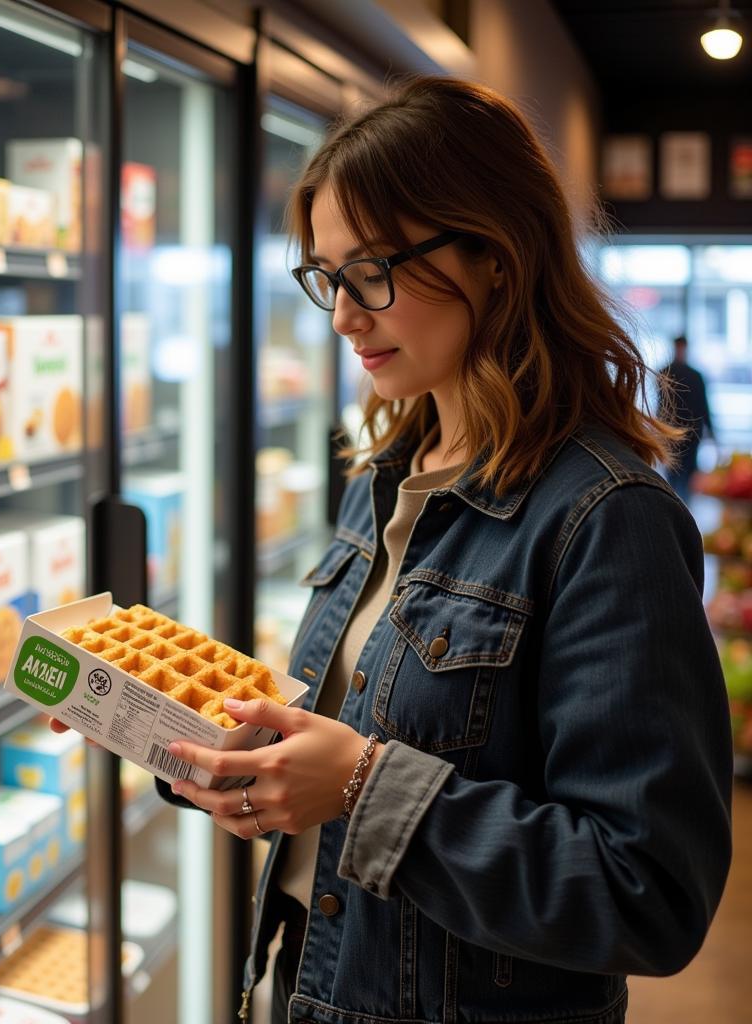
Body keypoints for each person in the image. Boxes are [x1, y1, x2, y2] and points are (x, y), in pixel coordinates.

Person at [54, 76, 732, 1024]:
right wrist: (186, 734)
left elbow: (649, 893)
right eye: (326, 277)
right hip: (301, 987)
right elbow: (327, 750)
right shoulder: (384, 473)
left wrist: (365, 787)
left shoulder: (607, 516)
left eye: (370, 272)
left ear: (494, 256)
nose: (341, 316)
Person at [658, 334, 716, 503]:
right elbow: (662, 406)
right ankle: (679, 505)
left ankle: (679, 504)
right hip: (679, 430)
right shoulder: (688, 375)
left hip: (683, 431)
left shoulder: (666, 373)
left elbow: (703, 405)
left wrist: (711, 430)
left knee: (682, 471)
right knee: (677, 471)